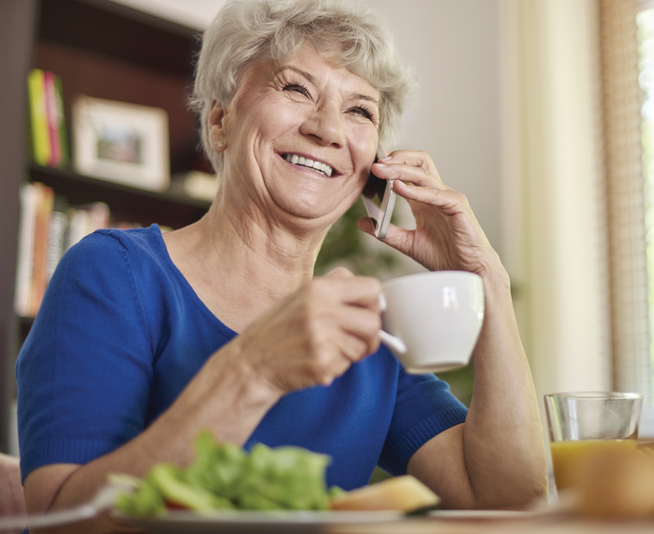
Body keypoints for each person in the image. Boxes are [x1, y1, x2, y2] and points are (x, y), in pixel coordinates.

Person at [16, 0, 548, 531]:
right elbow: (64, 522)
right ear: (221, 120)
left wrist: (486, 280)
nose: (328, 129)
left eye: (360, 111)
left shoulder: (371, 332)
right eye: (296, 88)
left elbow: (505, 498)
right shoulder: (114, 275)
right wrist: (251, 371)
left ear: (375, 170)